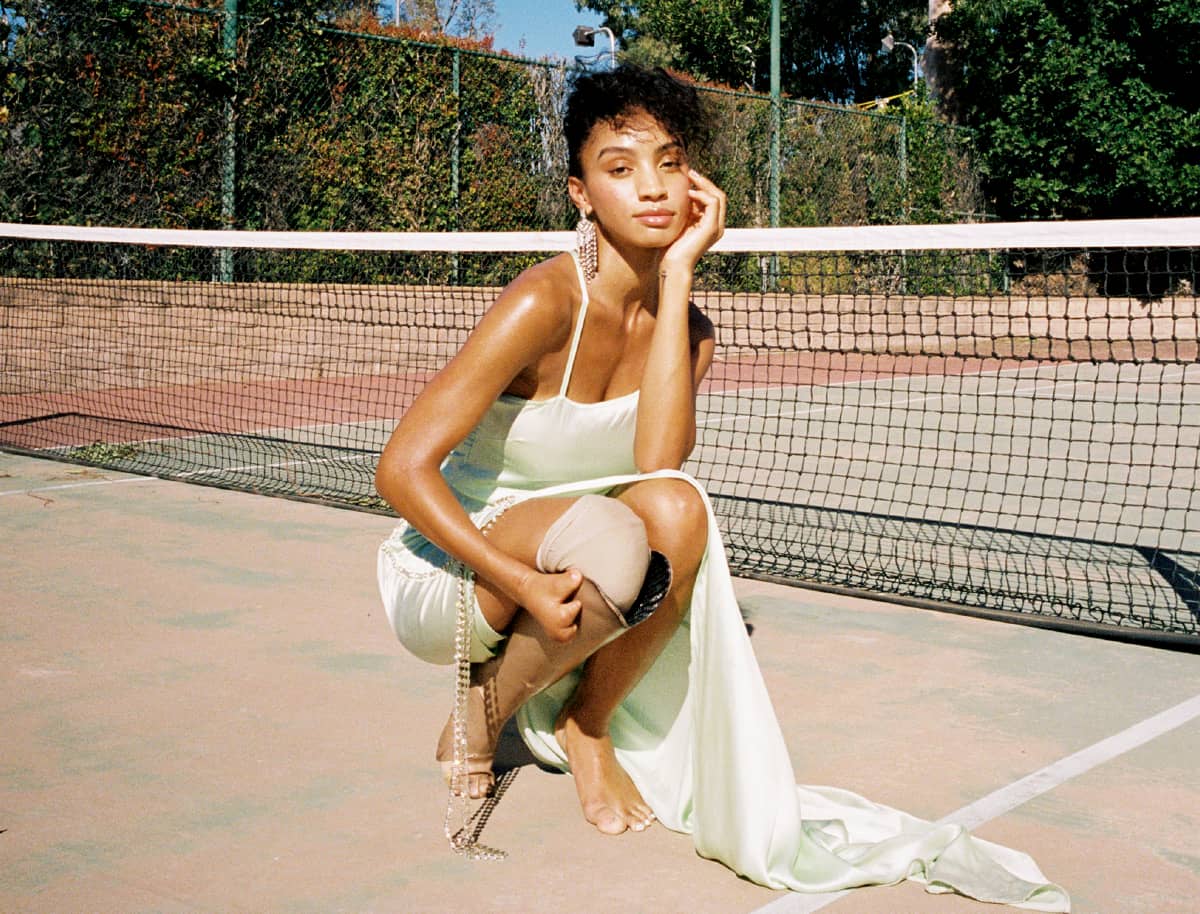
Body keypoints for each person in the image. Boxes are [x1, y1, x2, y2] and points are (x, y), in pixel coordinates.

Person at [375, 65, 1069, 910]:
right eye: (620, 167)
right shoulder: (544, 301)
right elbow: (400, 469)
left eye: (669, 162)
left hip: (592, 546)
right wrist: (517, 579)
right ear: (580, 193)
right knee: (616, 535)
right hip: (457, 573)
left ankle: (584, 725)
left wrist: (679, 279)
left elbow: (660, 466)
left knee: (677, 508)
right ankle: (481, 709)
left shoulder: (689, 328)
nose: (653, 187)